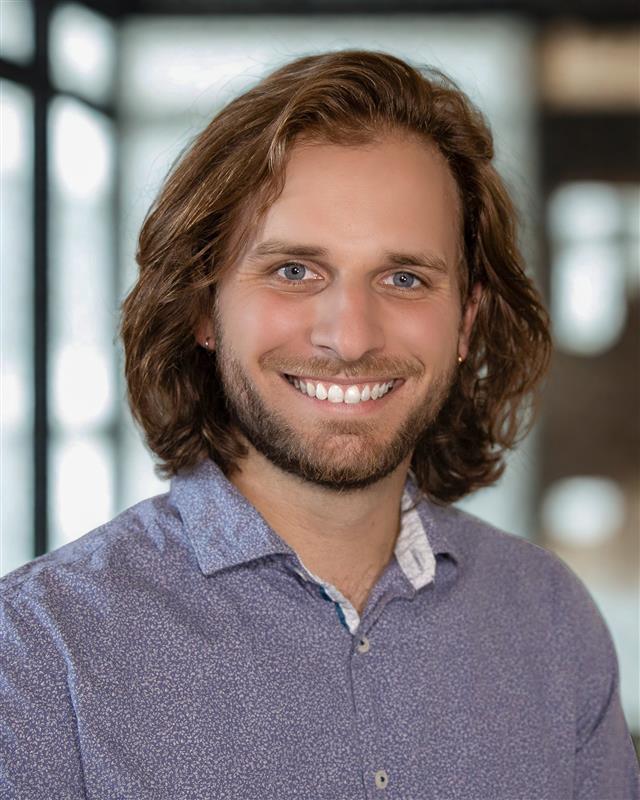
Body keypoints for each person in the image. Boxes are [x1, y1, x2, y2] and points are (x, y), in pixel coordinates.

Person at [1, 50, 637, 799]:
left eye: (405, 278)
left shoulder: (552, 623)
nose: (352, 336)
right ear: (202, 306)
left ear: (465, 323)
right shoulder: (40, 656)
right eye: (295, 270)